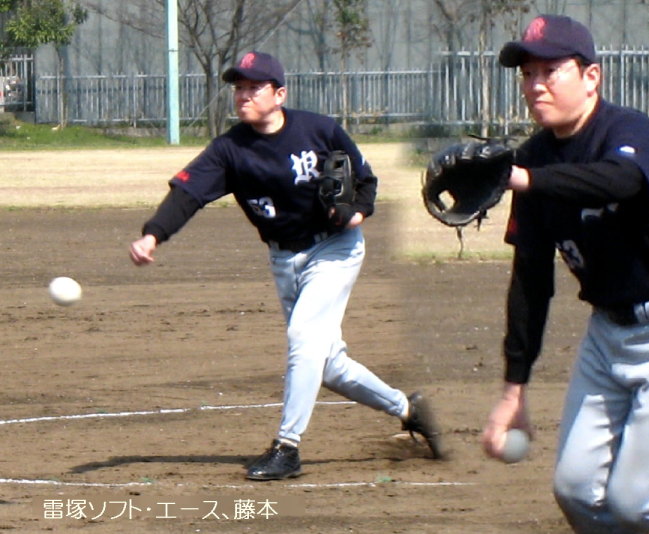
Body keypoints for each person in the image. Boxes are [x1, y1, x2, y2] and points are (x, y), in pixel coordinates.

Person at [128, 51, 442, 480]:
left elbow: (365, 180)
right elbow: (188, 194)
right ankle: (409, 409)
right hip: (283, 259)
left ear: (279, 94)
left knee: (302, 338)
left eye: (254, 87)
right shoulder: (230, 149)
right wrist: (153, 234)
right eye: (239, 87)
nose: (243, 95)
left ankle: (287, 447)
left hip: (334, 249)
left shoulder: (319, 130)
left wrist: (356, 212)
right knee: (327, 365)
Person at [480, 14, 649, 533]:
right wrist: (513, 389)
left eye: (551, 70)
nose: (535, 84)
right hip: (607, 337)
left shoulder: (628, 131)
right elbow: (530, 280)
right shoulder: (533, 159)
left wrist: (524, 179)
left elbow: (622, 180)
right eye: (527, 73)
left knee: (637, 503)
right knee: (576, 491)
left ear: (592, 77)